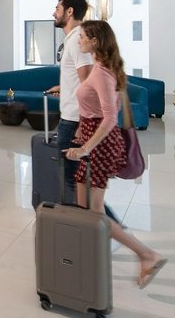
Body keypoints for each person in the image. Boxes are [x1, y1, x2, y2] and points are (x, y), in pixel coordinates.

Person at [63, 20, 167, 288]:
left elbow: (110, 117)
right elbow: (95, 110)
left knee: (94, 211)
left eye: (83, 37)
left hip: (101, 146)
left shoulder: (102, 74)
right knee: (86, 209)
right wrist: (82, 131)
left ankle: (147, 255)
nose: (79, 41)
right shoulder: (100, 68)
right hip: (93, 140)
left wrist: (85, 147)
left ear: (95, 41)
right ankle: (92, 255)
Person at [46, 0, 122, 225]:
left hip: (74, 121)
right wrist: (65, 87)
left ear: (69, 11)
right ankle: (93, 229)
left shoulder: (76, 42)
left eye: (57, 8)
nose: (54, 13)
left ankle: (106, 228)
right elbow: (84, 84)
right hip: (73, 119)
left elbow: (89, 83)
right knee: (78, 182)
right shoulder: (73, 40)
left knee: (75, 182)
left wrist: (81, 125)